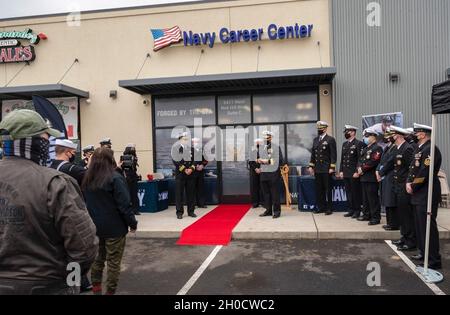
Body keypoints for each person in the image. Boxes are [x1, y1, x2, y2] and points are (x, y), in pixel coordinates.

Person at [0, 109, 98, 295]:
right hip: (47, 286)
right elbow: (84, 248)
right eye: (46, 139)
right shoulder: (55, 182)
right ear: (36, 143)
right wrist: (73, 284)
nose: (49, 145)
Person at [82, 147, 138, 295]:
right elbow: (124, 205)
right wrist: (133, 223)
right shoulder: (115, 177)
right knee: (113, 263)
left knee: (98, 260)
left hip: (94, 227)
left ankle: (96, 290)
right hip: (114, 228)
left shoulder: (88, 177)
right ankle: (110, 292)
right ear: (110, 159)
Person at [406, 124, 442, 269]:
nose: (414, 135)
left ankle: (433, 259)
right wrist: (409, 182)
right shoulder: (419, 148)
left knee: (428, 227)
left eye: (417, 133)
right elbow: (413, 168)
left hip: (426, 192)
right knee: (419, 226)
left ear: (423, 134)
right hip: (418, 193)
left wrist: (413, 185)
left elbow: (424, 171)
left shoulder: (431, 149)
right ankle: (423, 252)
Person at [389, 126, 416, 251]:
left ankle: (410, 241)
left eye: (392, 135)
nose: (391, 137)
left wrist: (408, 182)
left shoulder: (407, 148)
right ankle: (404, 237)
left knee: (407, 215)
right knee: (402, 214)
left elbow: (411, 168)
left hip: (404, 186)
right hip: (398, 185)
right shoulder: (397, 148)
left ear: (398, 136)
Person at [308, 121, 337, 215]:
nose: (319, 130)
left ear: (325, 129)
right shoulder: (315, 140)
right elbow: (313, 154)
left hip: (326, 169)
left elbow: (333, 155)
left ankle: (329, 208)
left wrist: (332, 167)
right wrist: (311, 166)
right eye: (318, 129)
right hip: (318, 169)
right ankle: (320, 207)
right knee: (319, 189)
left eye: (320, 129)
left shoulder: (330, 139)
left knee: (327, 189)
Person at [357, 127, 383, 225]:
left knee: (373, 199)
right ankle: (366, 215)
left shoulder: (377, 148)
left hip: (371, 177)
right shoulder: (366, 148)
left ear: (373, 137)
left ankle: (375, 217)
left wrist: (362, 169)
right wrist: (359, 168)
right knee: (365, 199)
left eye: (367, 136)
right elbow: (360, 160)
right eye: (365, 136)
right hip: (363, 177)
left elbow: (374, 161)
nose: (365, 138)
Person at [339, 125, 365, 219]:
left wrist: (357, 171)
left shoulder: (358, 144)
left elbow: (360, 159)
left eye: (348, 131)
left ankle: (357, 211)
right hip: (346, 172)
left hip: (354, 173)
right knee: (348, 192)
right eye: (346, 131)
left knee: (355, 193)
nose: (346, 133)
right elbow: (342, 159)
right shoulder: (344, 144)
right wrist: (341, 170)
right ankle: (350, 210)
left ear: (353, 132)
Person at [376, 129, 399, 231]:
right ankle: (389, 222)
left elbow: (389, 162)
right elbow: (381, 161)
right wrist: (378, 171)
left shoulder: (394, 148)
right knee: (386, 200)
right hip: (385, 176)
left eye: (387, 136)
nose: (385, 138)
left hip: (390, 176)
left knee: (391, 201)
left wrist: (380, 173)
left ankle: (394, 223)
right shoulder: (387, 147)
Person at [258, 131, 284, 219]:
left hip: (273, 174)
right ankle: (268, 210)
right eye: (264, 138)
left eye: (267, 138)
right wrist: (258, 161)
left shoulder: (276, 147)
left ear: (271, 138)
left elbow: (279, 160)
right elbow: (258, 157)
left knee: (274, 193)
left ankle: (276, 211)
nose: (266, 139)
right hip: (264, 174)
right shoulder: (261, 147)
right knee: (266, 193)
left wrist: (268, 161)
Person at [172, 132, 196, 219]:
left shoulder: (192, 149)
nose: (186, 140)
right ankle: (179, 212)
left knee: (191, 194)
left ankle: (191, 211)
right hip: (180, 175)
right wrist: (184, 169)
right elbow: (175, 161)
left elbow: (195, 161)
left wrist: (191, 169)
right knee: (179, 194)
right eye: (184, 139)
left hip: (190, 174)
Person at [121, 144, 141, 215]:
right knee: (127, 195)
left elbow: (134, 168)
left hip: (133, 177)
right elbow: (122, 167)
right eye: (132, 149)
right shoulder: (123, 157)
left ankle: (136, 210)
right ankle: (129, 210)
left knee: (134, 194)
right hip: (127, 177)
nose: (134, 150)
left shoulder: (134, 157)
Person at [192, 137, 208, 209]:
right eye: (195, 142)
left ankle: (201, 203)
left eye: (198, 142)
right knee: (192, 188)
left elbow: (206, 159)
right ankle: (193, 204)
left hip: (200, 172)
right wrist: (195, 166)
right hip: (192, 172)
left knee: (200, 188)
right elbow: (187, 161)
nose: (196, 143)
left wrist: (202, 165)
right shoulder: (189, 150)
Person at [249, 138, 264, 208]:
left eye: (259, 142)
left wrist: (261, 168)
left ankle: (263, 202)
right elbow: (250, 162)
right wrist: (255, 169)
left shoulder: (264, 150)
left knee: (263, 187)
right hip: (254, 171)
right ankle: (255, 203)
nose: (258, 143)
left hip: (262, 170)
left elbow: (265, 160)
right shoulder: (252, 150)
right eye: (257, 142)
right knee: (254, 187)